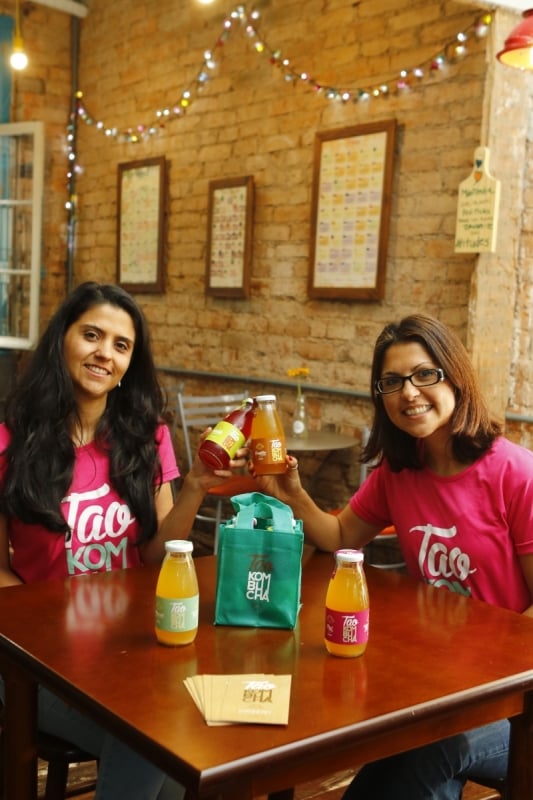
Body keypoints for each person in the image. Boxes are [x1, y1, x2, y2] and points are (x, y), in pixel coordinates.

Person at [251, 313, 533, 800]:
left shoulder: (515, 473)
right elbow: (341, 535)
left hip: (512, 699)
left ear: (456, 377)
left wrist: (484, 674)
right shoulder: (400, 472)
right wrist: (294, 494)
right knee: (395, 740)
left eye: (426, 374)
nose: (409, 392)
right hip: (437, 684)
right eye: (392, 381)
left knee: (431, 747)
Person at [0, 281, 248, 800]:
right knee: (152, 740)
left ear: (130, 363)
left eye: (121, 345)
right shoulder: (8, 439)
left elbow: (156, 556)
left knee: (191, 733)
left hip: (131, 654)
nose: (104, 354)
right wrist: (46, 634)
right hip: (35, 664)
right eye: (91, 334)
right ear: (61, 340)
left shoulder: (147, 437)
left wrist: (197, 487)